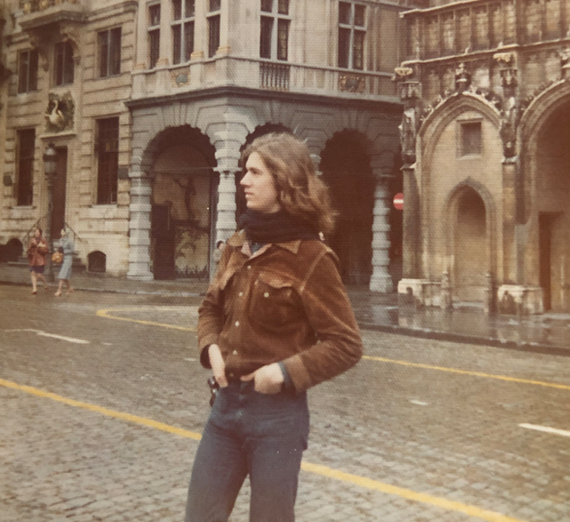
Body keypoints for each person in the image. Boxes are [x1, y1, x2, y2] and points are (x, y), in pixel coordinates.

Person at [185, 133, 363, 522]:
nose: (243, 181)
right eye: (244, 172)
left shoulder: (312, 258)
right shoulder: (238, 244)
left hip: (277, 419)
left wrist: (283, 373)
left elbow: (346, 343)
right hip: (225, 408)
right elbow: (210, 307)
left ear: (283, 182)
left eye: (254, 172)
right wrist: (210, 347)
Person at [27, 227, 49, 295]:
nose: (36, 233)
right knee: (33, 273)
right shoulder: (32, 239)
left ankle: (45, 284)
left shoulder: (43, 239)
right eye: (35, 232)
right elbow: (29, 248)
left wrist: (38, 245)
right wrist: (30, 248)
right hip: (33, 258)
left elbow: (46, 250)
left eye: (37, 232)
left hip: (40, 259)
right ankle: (34, 288)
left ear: (40, 233)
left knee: (39, 275)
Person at [55, 228, 74, 297]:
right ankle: (70, 288)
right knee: (65, 276)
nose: (61, 233)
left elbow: (72, 250)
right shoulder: (60, 240)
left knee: (62, 274)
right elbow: (60, 248)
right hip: (62, 258)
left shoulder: (69, 241)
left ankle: (59, 290)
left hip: (68, 258)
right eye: (61, 231)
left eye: (62, 231)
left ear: (66, 233)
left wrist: (64, 252)